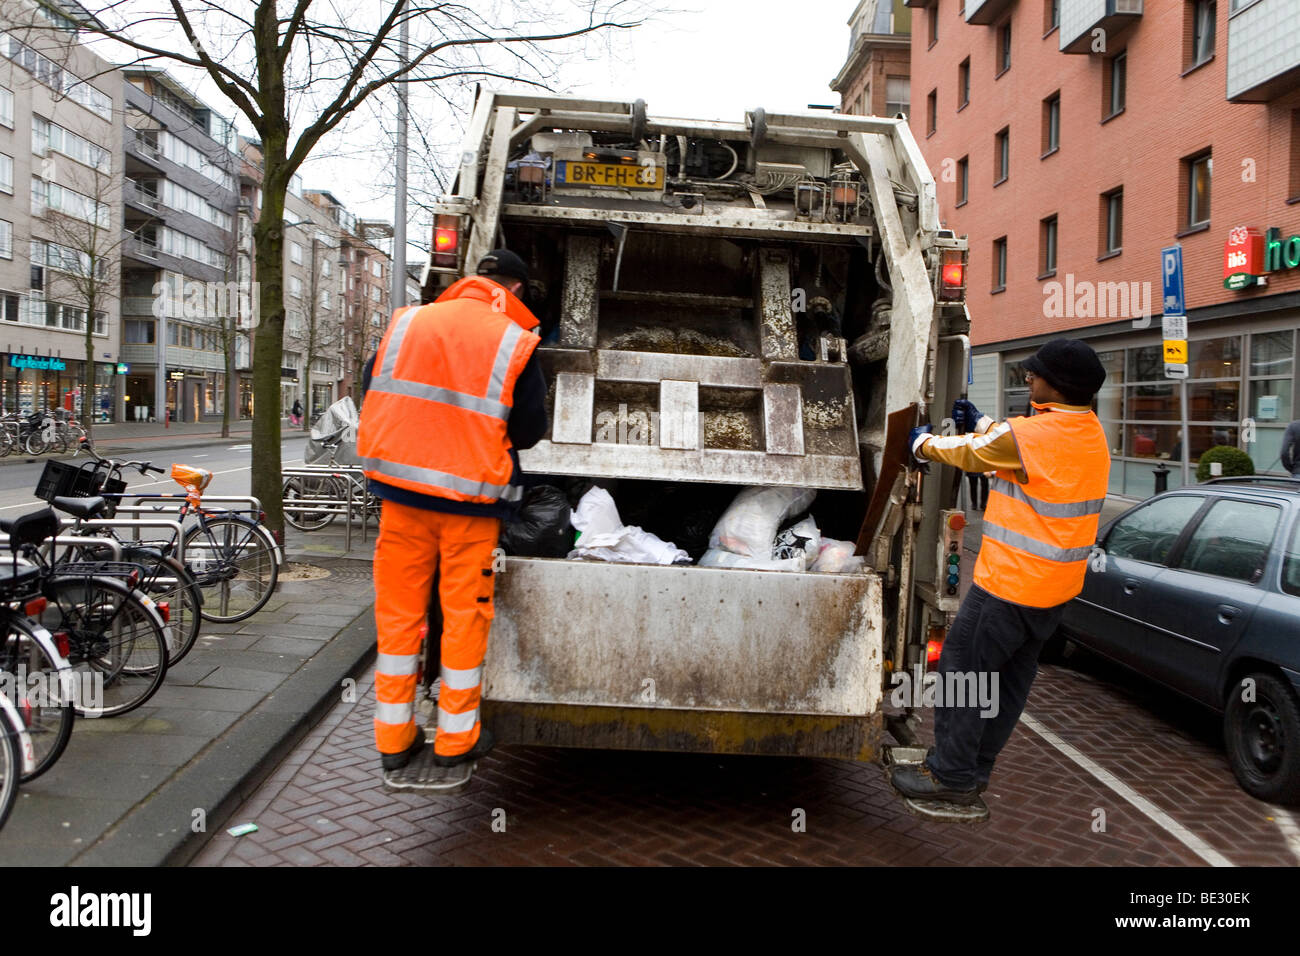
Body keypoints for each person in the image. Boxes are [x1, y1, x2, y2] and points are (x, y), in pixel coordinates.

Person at [891, 338, 1111, 806]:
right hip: (1054, 593)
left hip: (1008, 588)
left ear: (1060, 384)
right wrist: (987, 422)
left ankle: (949, 777)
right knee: (1010, 680)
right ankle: (976, 769)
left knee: (962, 673)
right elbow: (1021, 452)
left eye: (1036, 374)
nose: (1028, 377)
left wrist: (923, 444)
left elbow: (976, 453)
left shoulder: (1029, 436)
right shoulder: (1090, 431)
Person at [358, 249, 548, 771]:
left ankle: (394, 740)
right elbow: (530, 428)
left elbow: (372, 390)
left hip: (400, 500)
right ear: (518, 290)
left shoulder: (407, 322)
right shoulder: (513, 340)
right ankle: (454, 741)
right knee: (465, 616)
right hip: (471, 507)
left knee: (398, 617)